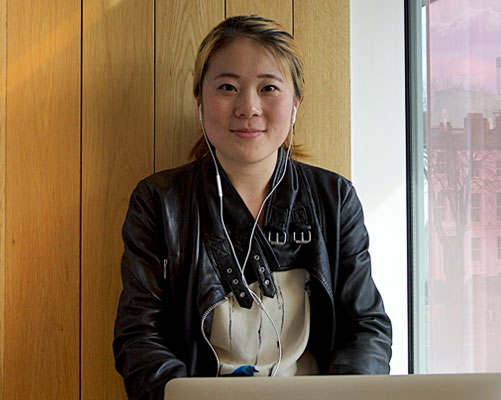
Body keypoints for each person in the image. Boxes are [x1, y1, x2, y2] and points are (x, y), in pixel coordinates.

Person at [112, 16, 391, 399]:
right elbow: (139, 336)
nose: (248, 107)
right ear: (200, 99)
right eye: (227, 87)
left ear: (295, 104)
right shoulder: (159, 201)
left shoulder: (335, 197)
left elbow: (366, 327)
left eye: (269, 88)